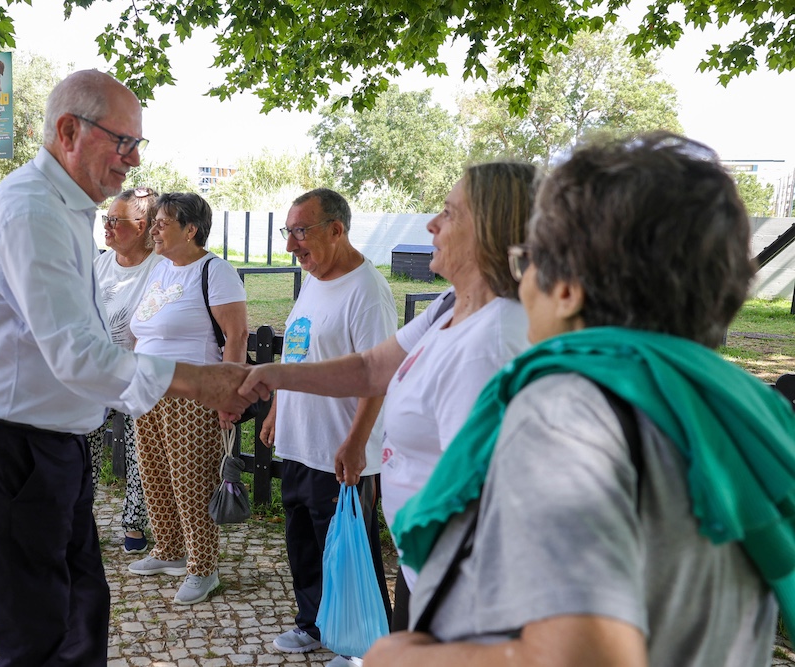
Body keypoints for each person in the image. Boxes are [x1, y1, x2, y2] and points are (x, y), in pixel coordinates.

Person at [364, 132, 795, 667]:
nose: (522, 285)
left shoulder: (567, 411)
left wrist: (401, 658)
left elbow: (583, 657)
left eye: (528, 262)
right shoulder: (738, 409)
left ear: (566, 289)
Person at [0, 70, 250, 667]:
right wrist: (201, 379)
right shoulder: (32, 209)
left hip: (48, 440)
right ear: (68, 131)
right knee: (40, 625)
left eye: (138, 145)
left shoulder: (61, 208)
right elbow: (78, 353)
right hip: (14, 443)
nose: (132, 161)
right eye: (122, 141)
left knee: (83, 606)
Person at [241, 165, 537, 637]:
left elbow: (483, 492)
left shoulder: (494, 338)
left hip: (458, 586)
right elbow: (368, 368)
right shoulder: (447, 307)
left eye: (448, 214)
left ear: (491, 230)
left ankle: (354, 638)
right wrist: (272, 377)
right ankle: (322, 627)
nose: (430, 225)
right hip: (424, 565)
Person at [254, 188, 396, 661]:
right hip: (299, 443)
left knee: (350, 552)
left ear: (337, 229)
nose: (292, 245)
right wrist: (277, 410)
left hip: (339, 449)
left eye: (301, 232)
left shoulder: (367, 291)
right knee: (304, 544)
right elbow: (298, 349)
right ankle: (313, 623)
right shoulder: (315, 278)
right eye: (287, 232)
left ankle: (364, 644)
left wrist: (356, 444)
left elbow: (377, 377)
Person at [127, 192, 248, 605]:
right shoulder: (160, 269)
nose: (154, 229)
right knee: (154, 476)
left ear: (191, 229)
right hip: (148, 388)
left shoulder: (215, 271)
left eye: (163, 222)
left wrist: (227, 392)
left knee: (191, 481)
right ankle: (170, 550)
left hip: (192, 392)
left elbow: (236, 335)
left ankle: (203, 567)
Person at [85, 186, 162, 555]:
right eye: (106, 219)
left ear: (142, 225)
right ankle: (81, 523)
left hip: (138, 376)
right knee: (84, 452)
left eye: (115, 220)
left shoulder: (160, 266)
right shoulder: (100, 264)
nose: (107, 226)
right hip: (95, 375)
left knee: (139, 455)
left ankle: (135, 526)